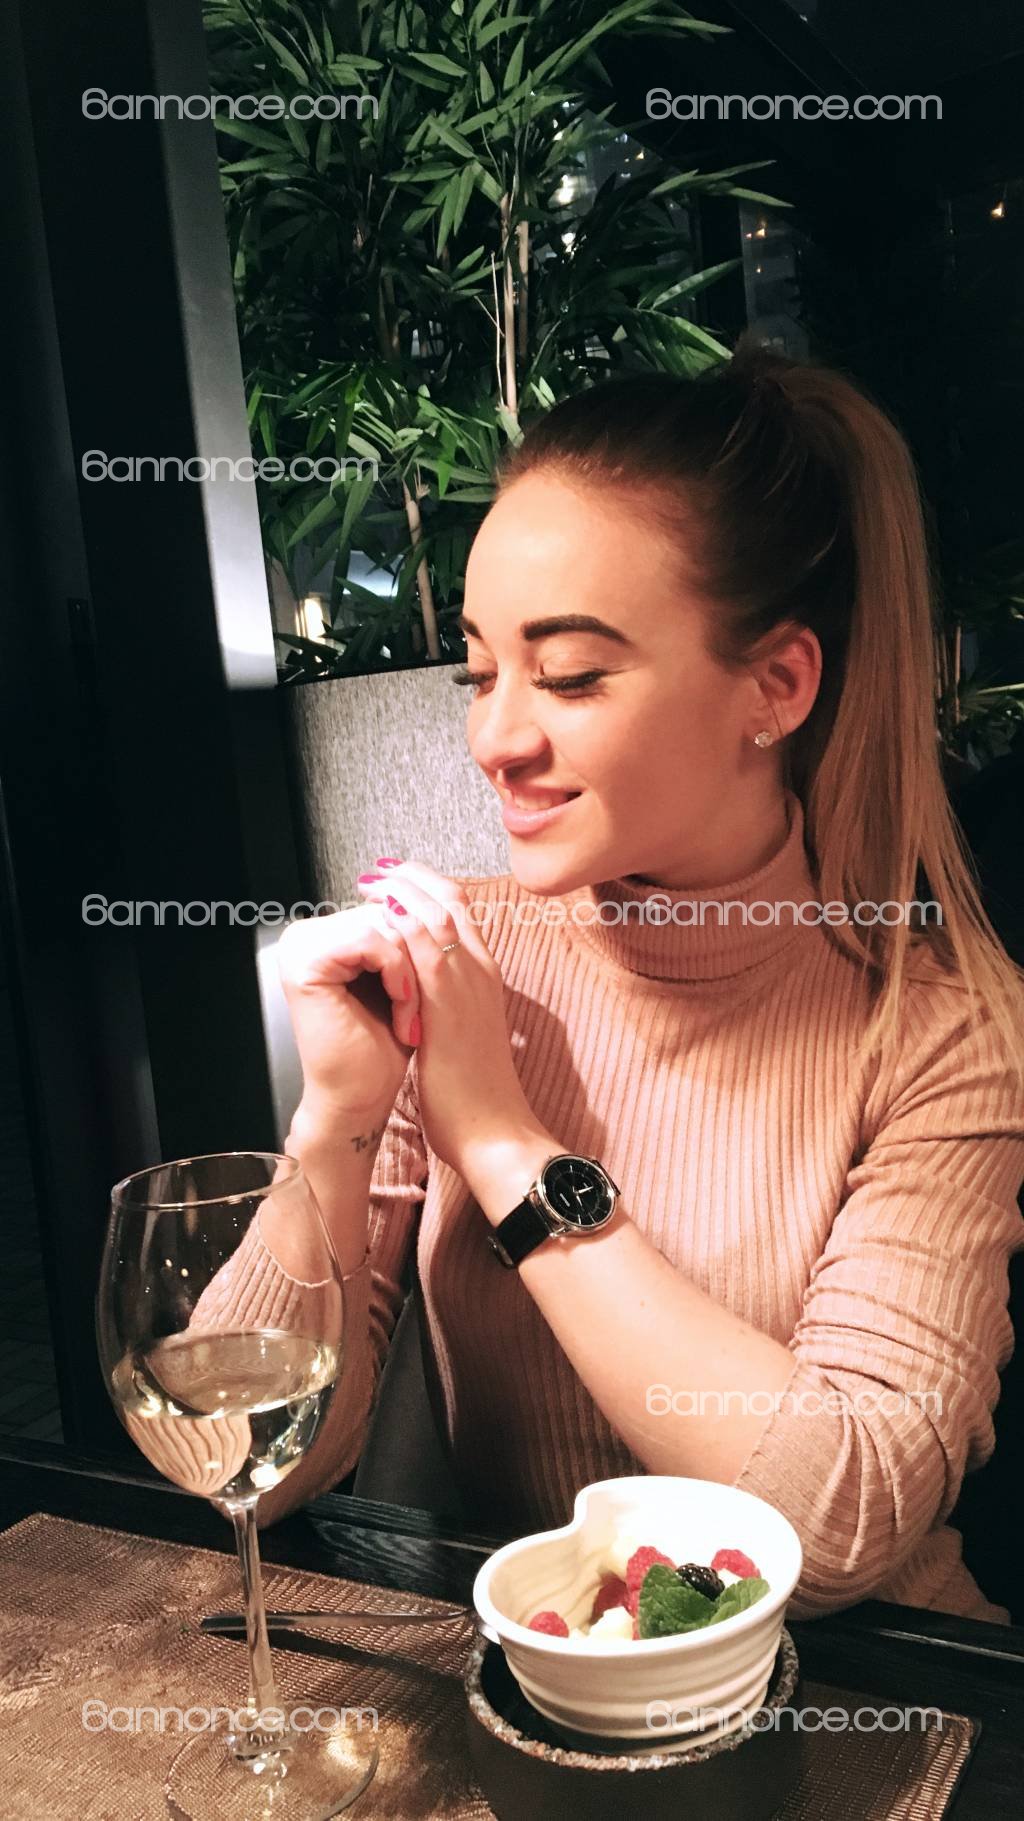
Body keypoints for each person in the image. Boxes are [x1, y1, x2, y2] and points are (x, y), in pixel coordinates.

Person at [228, 338, 1024, 1623]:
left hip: (873, 1687)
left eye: (571, 676)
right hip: (553, 1670)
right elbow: (244, 1465)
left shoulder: (942, 1024)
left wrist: (501, 1146)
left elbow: (840, 1529)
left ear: (774, 686)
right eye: (480, 672)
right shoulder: (458, 962)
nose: (495, 737)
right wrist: (336, 1123)